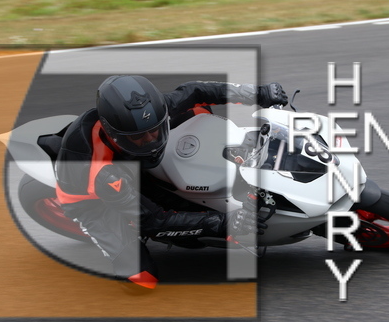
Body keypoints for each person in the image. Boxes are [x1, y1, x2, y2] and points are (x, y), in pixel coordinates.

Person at [54, 75, 288, 290]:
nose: (150, 140)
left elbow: (195, 91)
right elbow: (153, 221)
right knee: (142, 280)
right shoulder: (102, 174)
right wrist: (224, 222)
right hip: (95, 200)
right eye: (139, 137)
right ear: (113, 133)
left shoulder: (147, 114)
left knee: (197, 110)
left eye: (155, 131)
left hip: (130, 162)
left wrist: (258, 93)